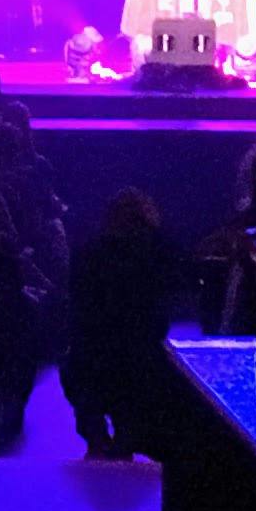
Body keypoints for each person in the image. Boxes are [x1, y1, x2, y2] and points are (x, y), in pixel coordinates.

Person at [65, 187, 181, 459]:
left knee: (83, 375)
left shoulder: (90, 251)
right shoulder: (158, 250)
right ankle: (124, 438)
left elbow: (78, 301)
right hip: (141, 350)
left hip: (95, 350)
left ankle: (98, 437)